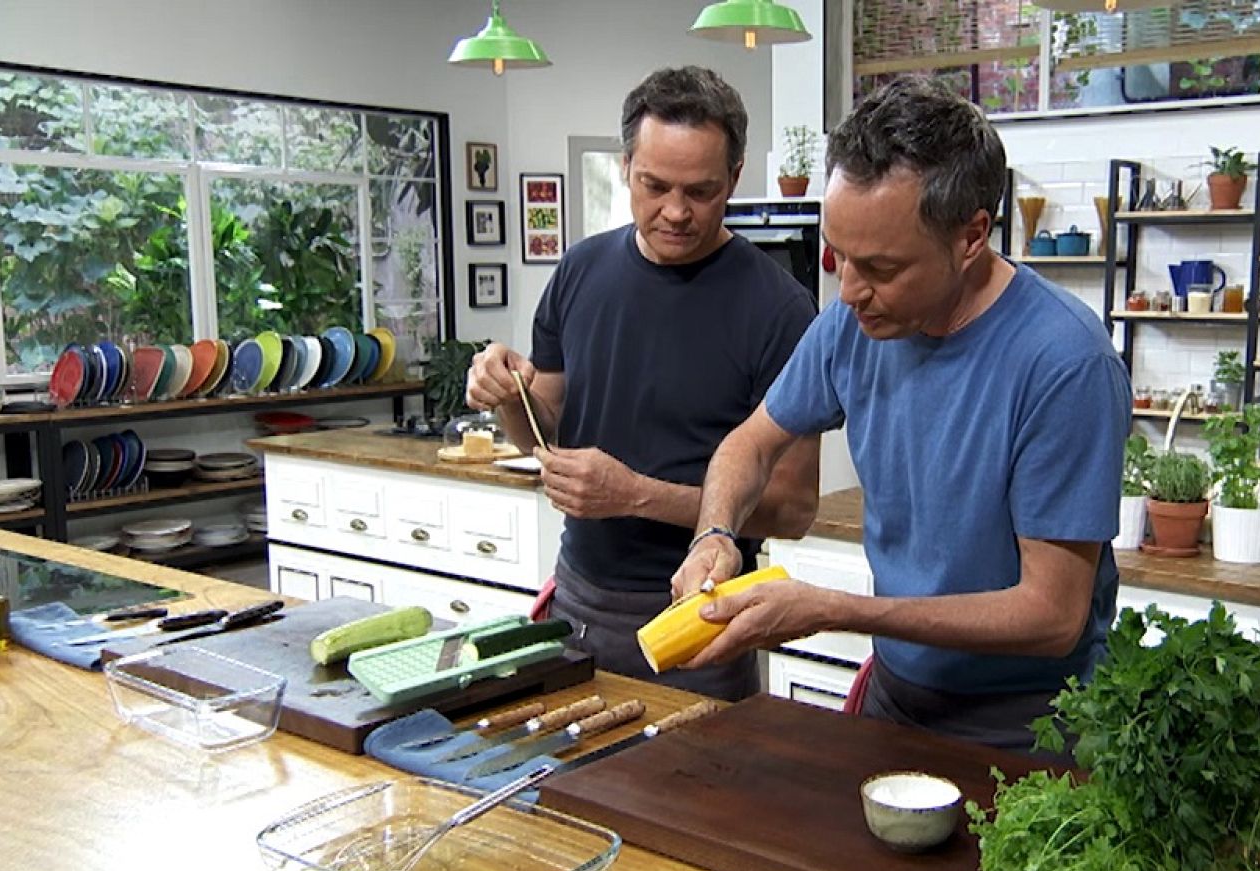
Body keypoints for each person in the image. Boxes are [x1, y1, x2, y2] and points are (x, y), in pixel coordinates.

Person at [670, 76, 1131, 755]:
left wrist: (834, 609)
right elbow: (750, 444)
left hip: (1030, 729)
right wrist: (715, 534)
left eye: (881, 267)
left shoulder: (1063, 362)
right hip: (896, 702)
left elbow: (1052, 614)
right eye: (838, 256)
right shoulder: (852, 326)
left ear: (972, 233)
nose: (849, 290)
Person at [465, 66, 820, 701]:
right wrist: (506, 392)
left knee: (695, 797)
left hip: (698, 624)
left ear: (734, 178)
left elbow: (792, 509)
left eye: (702, 191)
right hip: (575, 601)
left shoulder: (780, 309)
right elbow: (540, 433)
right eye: (654, 185)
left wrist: (634, 494)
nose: (676, 212)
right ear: (627, 165)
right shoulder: (580, 271)